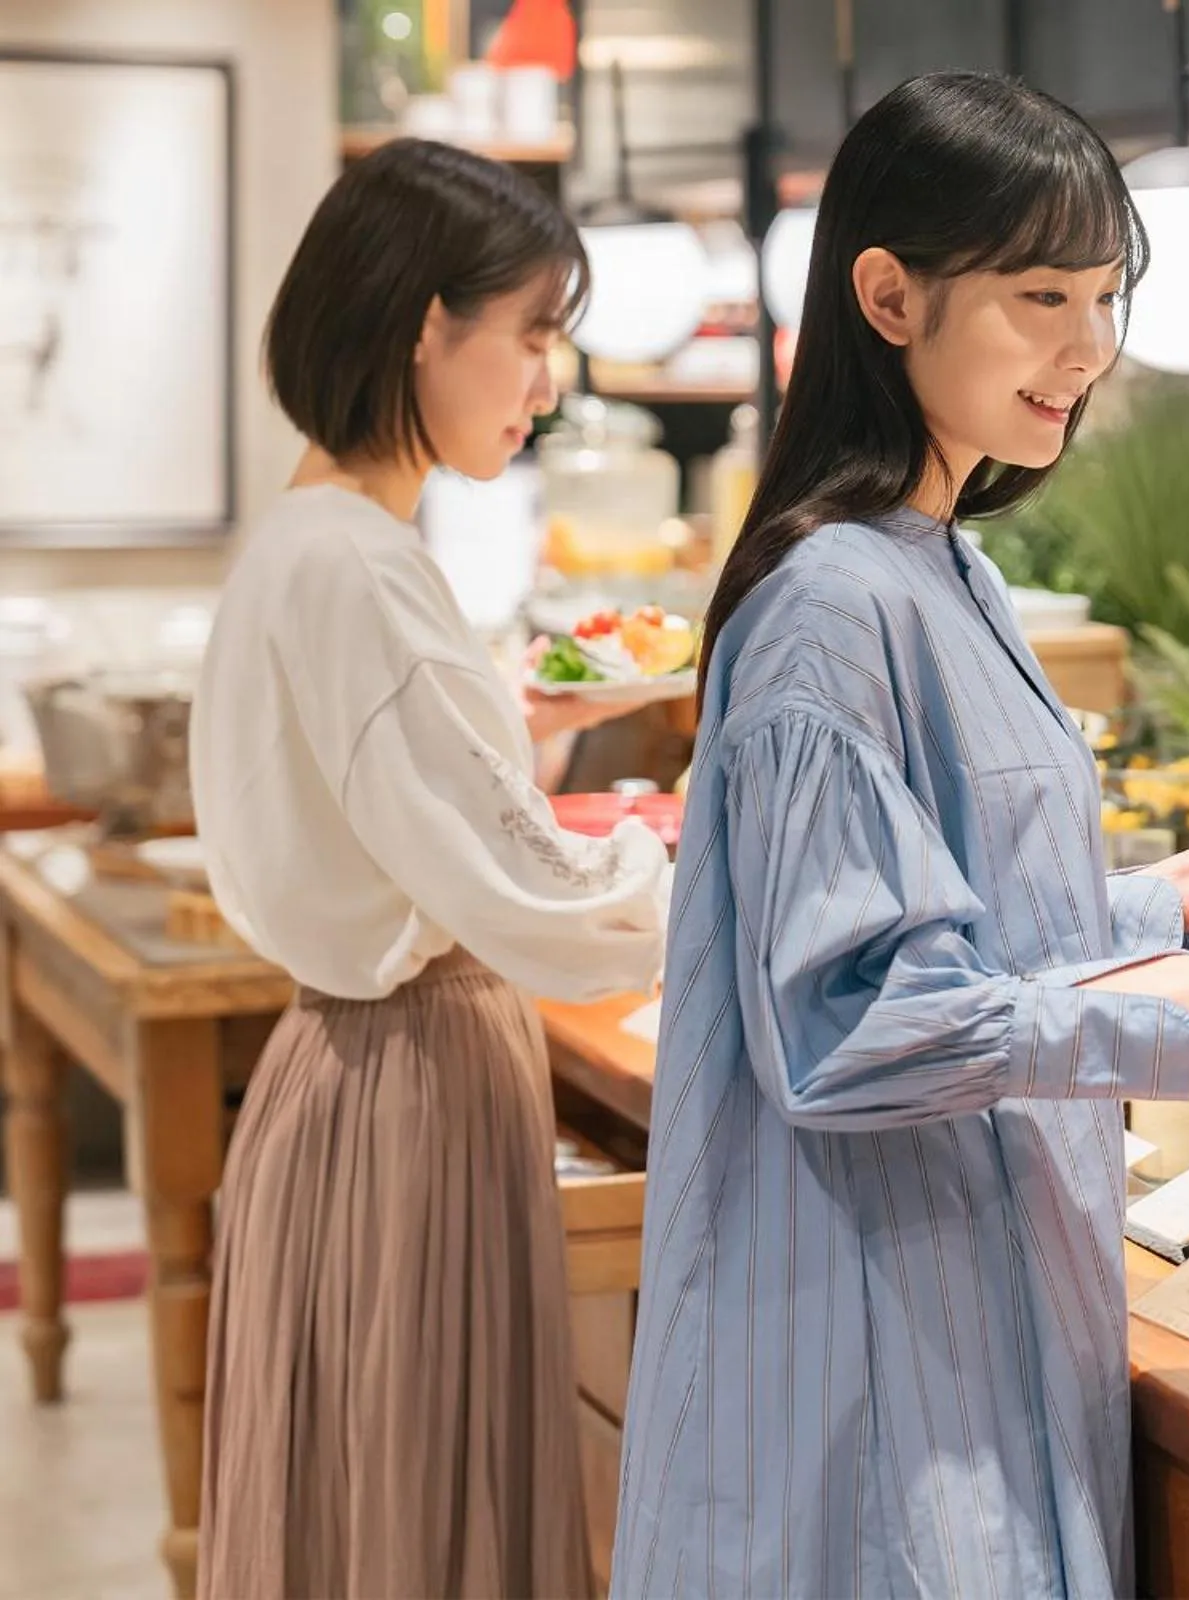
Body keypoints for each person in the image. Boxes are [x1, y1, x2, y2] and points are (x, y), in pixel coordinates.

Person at [612, 72, 1189, 1598]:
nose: (1090, 347)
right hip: (868, 1350)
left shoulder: (946, 565)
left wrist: (1166, 908)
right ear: (888, 296)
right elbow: (853, 1029)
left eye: (1106, 295)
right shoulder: (827, 607)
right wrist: (1174, 998)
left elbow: (959, 915)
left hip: (981, 1294)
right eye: (1041, 292)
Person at [190, 139, 671, 1598]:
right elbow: (549, 916)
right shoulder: (361, 568)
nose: (547, 381)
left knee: (364, 1512)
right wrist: (713, 835)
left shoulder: (314, 534)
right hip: (411, 1080)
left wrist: (514, 724)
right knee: (419, 1524)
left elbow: (389, 815)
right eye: (529, 334)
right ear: (424, 325)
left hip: (350, 1073)